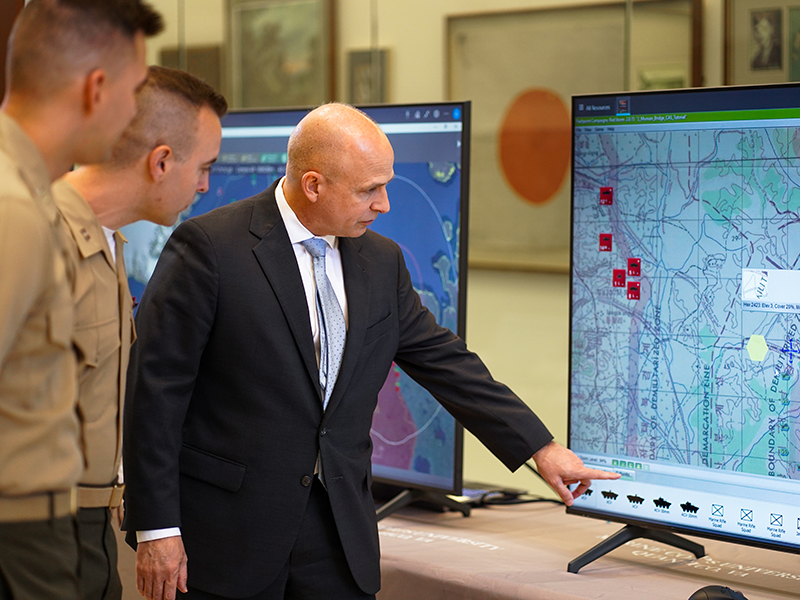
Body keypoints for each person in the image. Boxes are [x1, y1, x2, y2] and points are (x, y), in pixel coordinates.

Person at [123, 103, 620, 600]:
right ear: (314, 185)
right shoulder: (210, 248)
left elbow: (444, 361)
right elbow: (155, 396)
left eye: (386, 184)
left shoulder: (381, 261)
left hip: (338, 539)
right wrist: (157, 529)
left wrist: (542, 448)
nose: (384, 204)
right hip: (228, 540)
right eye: (368, 190)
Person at [0, 1, 162, 599]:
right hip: (19, 536)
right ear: (97, 89)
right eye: (135, 90)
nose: (135, 114)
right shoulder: (14, 208)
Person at [52, 65, 227, 600]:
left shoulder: (109, 245)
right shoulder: (38, 237)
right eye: (204, 168)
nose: (205, 186)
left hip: (88, 529)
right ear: (161, 161)